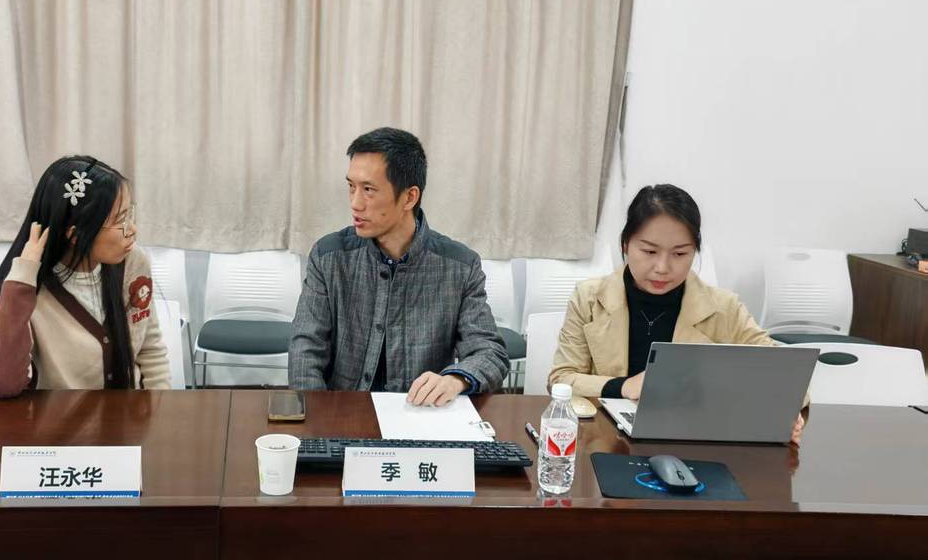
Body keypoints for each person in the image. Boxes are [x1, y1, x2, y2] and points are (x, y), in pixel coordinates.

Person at [549, 184, 805, 442]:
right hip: (605, 440)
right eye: (649, 251)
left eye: (680, 253)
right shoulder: (589, 298)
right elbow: (561, 378)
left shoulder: (724, 308)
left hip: (696, 440)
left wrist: (784, 406)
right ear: (626, 244)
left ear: (694, 251)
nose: (663, 267)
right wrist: (625, 386)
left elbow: (790, 376)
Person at [288, 127, 509, 404]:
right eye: (351, 187)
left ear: (409, 197)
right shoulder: (329, 256)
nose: (355, 203)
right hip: (343, 412)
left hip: (419, 413)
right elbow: (305, 350)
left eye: (368, 190)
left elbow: (490, 353)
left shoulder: (460, 266)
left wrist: (455, 380)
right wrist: (316, 415)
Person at [0, 156, 169, 396]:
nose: (132, 229)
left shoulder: (132, 262)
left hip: (129, 417)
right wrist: (21, 282)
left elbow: (150, 350)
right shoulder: (26, 288)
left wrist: (160, 406)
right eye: (121, 220)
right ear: (75, 235)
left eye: (129, 214)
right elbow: (3, 385)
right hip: (58, 420)